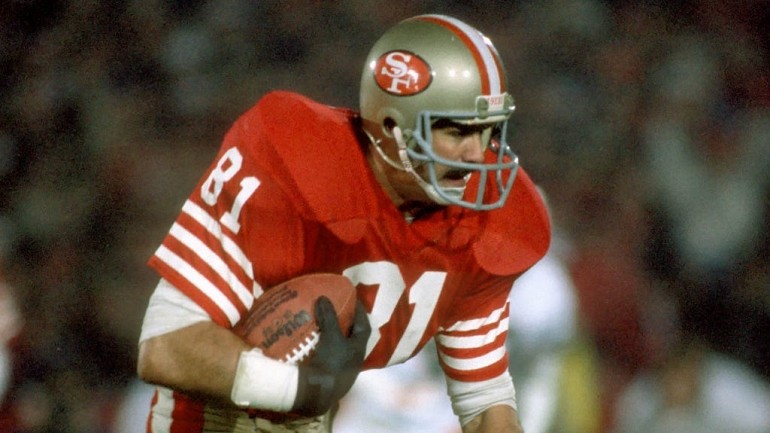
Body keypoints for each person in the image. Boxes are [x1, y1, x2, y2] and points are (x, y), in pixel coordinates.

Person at [137, 14, 550, 433]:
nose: (477, 155)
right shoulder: (295, 166)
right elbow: (166, 347)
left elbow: (485, 402)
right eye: (458, 131)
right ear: (393, 128)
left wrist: (308, 396)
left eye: (488, 132)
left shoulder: (483, 221)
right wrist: (298, 389)